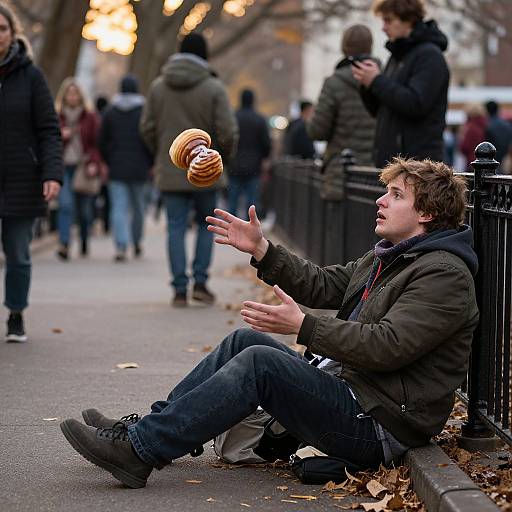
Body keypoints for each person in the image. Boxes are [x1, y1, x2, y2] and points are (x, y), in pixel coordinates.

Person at [60, 157, 479, 489]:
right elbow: (323, 283)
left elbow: (387, 346)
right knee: (244, 340)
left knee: (261, 362)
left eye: (395, 195)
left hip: (380, 423)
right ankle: (145, 431)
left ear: (426, 212)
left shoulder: (443, 274)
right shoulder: (389, 256)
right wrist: (262, 249)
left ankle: (139, 452)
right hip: (355, 392)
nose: (380, 201)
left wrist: (304, 327)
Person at [140, 32, 238, 307]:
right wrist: (221, 158)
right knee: (208, 227)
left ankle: (179, 288)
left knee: (175, 227)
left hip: (171, 171)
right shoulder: (213, 87)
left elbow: (146, 127)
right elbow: (228, 131)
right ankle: (201, 283)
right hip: (207, 171)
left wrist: (164, 154)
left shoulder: (159, 87)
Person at [0, 3, 62, 342]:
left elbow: (48, 129)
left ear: (12, 32)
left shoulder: (31, 76)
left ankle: (15, 313)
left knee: (18, 254)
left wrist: (51, 174)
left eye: (2, 28)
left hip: (22, 179)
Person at [353, 0, 449, 168]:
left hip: (417, 167)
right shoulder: (397, 57)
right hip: (396, 164)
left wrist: (376, 80)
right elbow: (381, 110)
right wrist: (367, 83)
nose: (383, 27)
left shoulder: (429, 56)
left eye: (388, 20)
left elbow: (416, 103)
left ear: (408, 19)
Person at [99, 75, 152, 261]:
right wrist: (151, 162)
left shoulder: (110, 112)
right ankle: (136, 241)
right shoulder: (145, 112)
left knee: (118, 207)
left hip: (117, 167)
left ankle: (121, 245)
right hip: (140, 167)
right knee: (138, 207)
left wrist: (107, 160)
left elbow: (102, 141)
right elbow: (150, 140)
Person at [308, 24, 376, 166]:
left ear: (344, 48)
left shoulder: (333, 84)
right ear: (370, 47)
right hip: (376, 169)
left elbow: (317, 131)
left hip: (340, 171)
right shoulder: (385, 80)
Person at [55, 77, 102, 260]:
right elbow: (49, 140)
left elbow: (97, 144)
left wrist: (93, 163)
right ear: (64, 96)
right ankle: (64, 244)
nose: (72, 97)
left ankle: (84, 238)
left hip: (83, 166)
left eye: (75, 93)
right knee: (65, 205)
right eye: (69, 93)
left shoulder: (90, 117)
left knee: (84, 210)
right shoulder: (57, 116)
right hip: (63, 165)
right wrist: (61, 136)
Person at [228, 89, 271, 218]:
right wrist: (263, 158)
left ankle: (230, 230)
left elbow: (227, 139)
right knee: (251, 204)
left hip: (234, 166)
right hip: (254, 166)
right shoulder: (260, 119)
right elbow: (266, 144)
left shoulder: (233, 118)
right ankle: (248, 231)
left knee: (232, 203)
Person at [485, 101, 512, 173]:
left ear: (487, 110)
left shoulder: (487, 125)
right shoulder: (507, 124)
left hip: (491, 160)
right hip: (505, 159)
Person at [459, 103, 487, 171]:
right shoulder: (485, 124)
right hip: (486, 160)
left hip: (472, 162)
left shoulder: (471, 127)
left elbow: (465, 147)